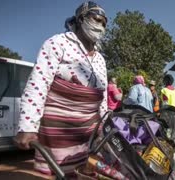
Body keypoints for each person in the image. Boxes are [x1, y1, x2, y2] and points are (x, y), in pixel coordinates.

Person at [13, 1, 108, 176]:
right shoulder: (57, 43)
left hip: (90, 131)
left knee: (86, 172)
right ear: (81, 19)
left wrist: (104, 126)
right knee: (62, 173)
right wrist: (28, 126)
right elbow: (38, 83)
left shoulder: (100, 59)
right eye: (97, 19)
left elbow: (101, 96)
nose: (100, 26)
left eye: (104, 23)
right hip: (60, 128)